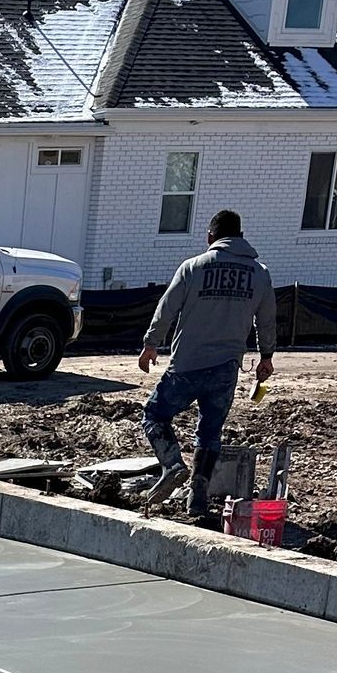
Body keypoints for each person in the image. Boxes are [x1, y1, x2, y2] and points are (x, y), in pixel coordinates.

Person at [137, 211, 276, 522]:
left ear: (210, 237)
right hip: (226, 368)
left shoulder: (194, 267)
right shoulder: (260, 274)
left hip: (187, 364)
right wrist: (266, 357)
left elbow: (167, 307)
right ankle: (197, 499)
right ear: (241, 236)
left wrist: (150, 344)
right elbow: (266, 320)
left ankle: (172, 464)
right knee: (210, 433)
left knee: (154, 414)